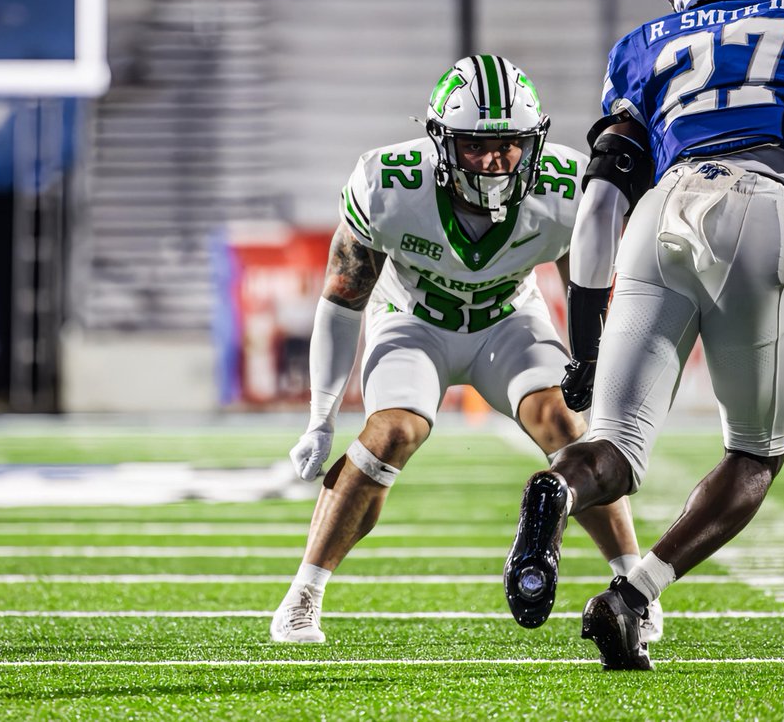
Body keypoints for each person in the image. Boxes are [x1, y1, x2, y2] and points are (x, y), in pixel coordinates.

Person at [503, 0, 784, 670]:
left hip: (659, 211)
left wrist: (584, 347)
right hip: (760, 201)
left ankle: (556, 493)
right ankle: (634, 593)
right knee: (755, 453)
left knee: (612, 447)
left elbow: (599, 202)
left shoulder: (643, 46)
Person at [271, 55, 653, 644]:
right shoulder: (388, 184)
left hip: (508, 319)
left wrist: (591, 364)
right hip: (413, 320)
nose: (495, 161)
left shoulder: (568, 188)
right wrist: (320, 419)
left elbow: (592, 287)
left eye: (508, 145)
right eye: (476, 145)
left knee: (565, 423)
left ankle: (633, 586)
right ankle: (304, 593)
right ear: (442, 142)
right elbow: (343, 299)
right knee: (392, 432)